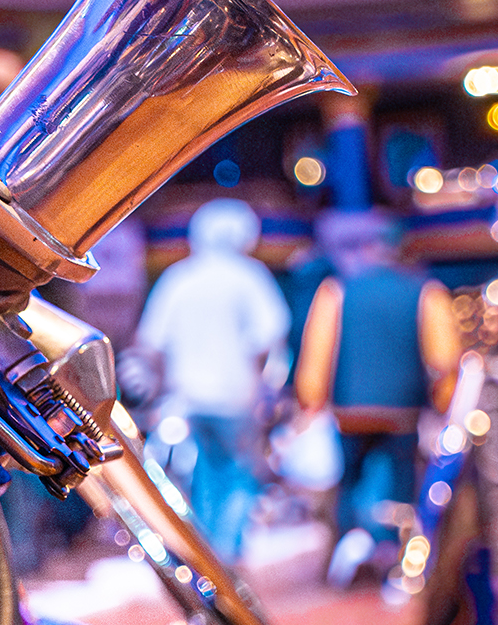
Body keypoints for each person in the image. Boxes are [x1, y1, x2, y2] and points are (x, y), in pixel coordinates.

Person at [293, 211, 460, 585]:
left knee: (349, 479)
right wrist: (443, 402)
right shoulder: (425, 291)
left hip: (349, 409)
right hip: (403, 409)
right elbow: (444, 357)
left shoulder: (337, 290)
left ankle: (346, 547)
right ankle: (391, 551)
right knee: (399, 478)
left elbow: (317, 352)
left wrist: (311, 400)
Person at [121, 198, 290, 561]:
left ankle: (205, 554)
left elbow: (151, 343)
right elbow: (267, 340)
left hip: (188, 399)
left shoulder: (180, 277)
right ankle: (226, 558)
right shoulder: (250, 277)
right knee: (238, 477)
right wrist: (261, 389)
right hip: (236, 399)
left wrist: (158, 388)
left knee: (201, 478)